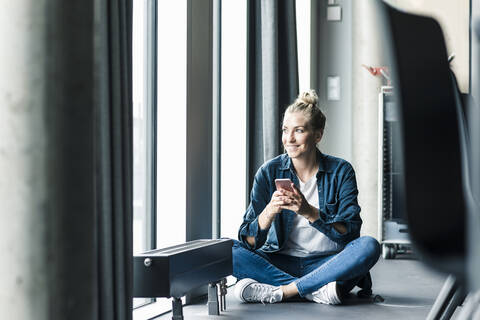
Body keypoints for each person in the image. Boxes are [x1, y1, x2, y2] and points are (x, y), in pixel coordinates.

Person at [232, 90, 380, 305]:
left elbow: (350, 233)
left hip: (327, 263)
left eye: (298, 131)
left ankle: (283, 291)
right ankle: (315, 291)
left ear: (317, 135)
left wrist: (308, 211)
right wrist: (269, 211)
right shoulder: (268, 171)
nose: (289, 139)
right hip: (281, 260)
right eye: (285, 130)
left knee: (369, 245)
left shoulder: (341, 171)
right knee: (227, 250)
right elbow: (249, 241)